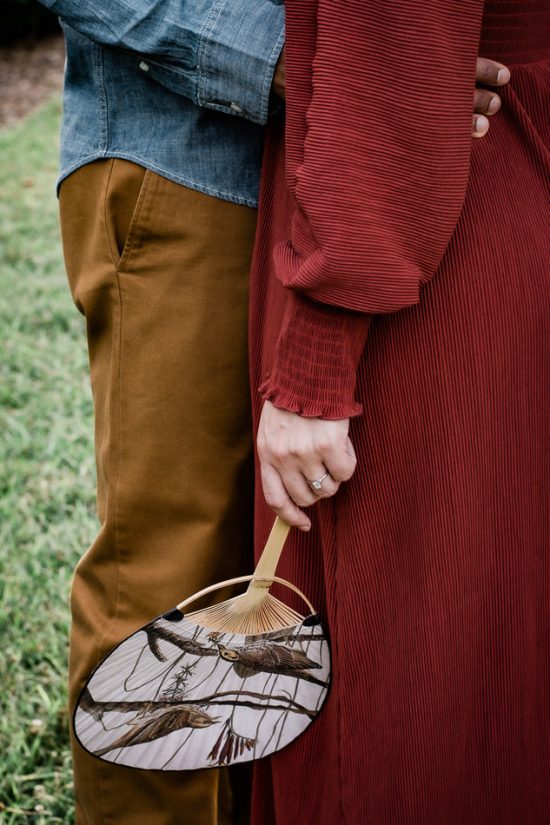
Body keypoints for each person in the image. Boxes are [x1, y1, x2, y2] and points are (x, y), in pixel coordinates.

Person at [37, 1, 510, 823]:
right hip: (195, 172)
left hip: (374, 181)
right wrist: (310, 61)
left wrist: (382, 92)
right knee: (178, 584)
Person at [250, 0, 549, 823]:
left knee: (411, 687)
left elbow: (394, 39)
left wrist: (318, 352)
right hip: (487, 178)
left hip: (430, 241)